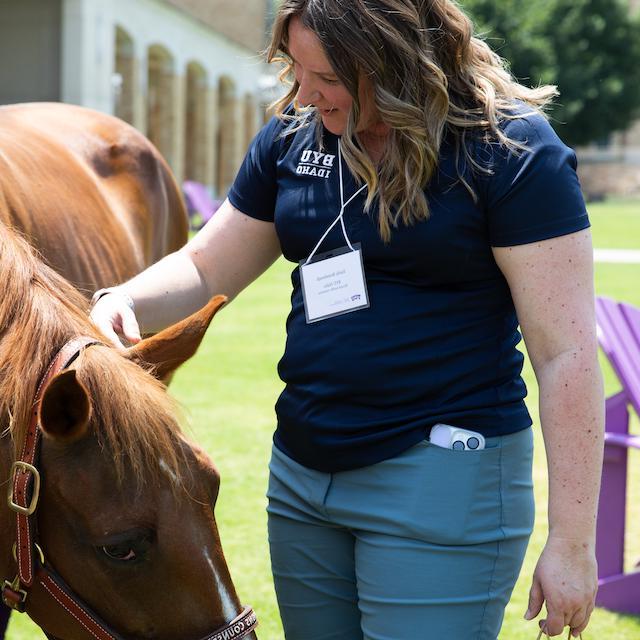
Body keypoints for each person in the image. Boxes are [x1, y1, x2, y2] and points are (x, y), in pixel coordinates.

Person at [90, 1, 604, 638]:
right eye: (297, 71)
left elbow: (567, 354)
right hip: (304, 479)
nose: (305, 94)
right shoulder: (294, 137)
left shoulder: (511, 150)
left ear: (392, 65)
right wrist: (125, 300)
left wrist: (574, 542)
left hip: (441, 476)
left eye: (326, 77)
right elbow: (205, 266)